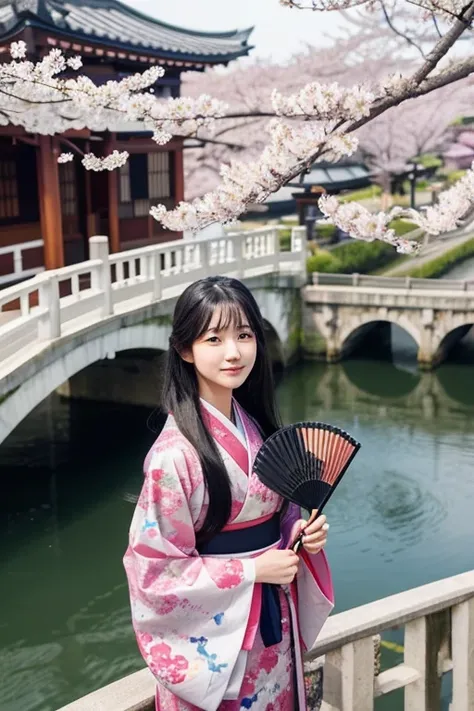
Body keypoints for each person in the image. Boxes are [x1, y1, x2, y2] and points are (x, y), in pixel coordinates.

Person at [123, 275, 334, 711]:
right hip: (219, 646)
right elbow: (154, 574)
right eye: (214, 338)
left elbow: (279, 511)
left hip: (272, 630)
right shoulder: (173, 456)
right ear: (185, 349)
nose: (234, 352)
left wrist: (300, 530)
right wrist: (251, 570)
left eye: (244, 335)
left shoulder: (254, 423)